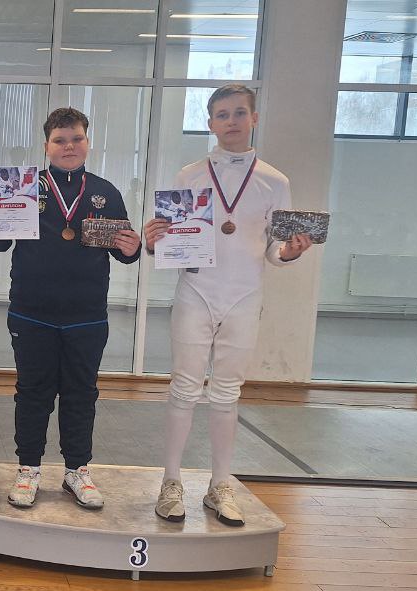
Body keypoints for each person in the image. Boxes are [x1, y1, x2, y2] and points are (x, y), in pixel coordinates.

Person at [145, 84, 312, 525]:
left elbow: (275, 249)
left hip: (244, 296)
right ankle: (171, 481)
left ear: (254, 118)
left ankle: (220, 484)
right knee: (183, 388)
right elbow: (173, 236)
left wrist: (290, 252)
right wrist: (157, 240)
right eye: (222, 114)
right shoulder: (189, 175)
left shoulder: (275, 181)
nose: (232, 121)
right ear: (210, 123)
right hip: (196, 292)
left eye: (240, 113)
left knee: (226, 393)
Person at [0, 107, 142, 509]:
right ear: (47, 145)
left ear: (88, 142)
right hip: (31, 311)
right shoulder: (21, 188)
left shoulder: (105, 191)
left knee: (81, 394)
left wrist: (133, 247)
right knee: (32, 392)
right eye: (60, 140)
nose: (69, 147)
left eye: (76, 139)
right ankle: (28, 468)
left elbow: (123, 252)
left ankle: (76, 470)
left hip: (87, 315)